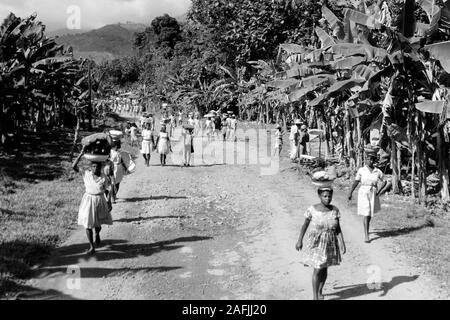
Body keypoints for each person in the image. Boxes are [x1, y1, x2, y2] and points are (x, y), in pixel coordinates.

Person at [296, 182, 346, 300]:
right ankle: (315, 297)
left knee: (324, 268)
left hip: (330, 242)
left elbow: (338, 228)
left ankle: (320, 291)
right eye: (325, 196)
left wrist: (342, 243)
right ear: (319, 196)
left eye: (329, 196)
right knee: (318, 269)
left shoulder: (334, 210)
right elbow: (305, 225)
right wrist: (299, 240)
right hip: (316, 243)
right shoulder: (312, 209)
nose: (327, 198)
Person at [72, 147, 113, 255]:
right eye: (93, 166)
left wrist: (109, 202)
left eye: (98, 166)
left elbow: (108, 190)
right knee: (88, 223)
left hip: (99, 200)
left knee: (98, 223)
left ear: (101, 167)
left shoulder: (104, 177)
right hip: (88, 199)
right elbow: (73, 166)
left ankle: (97, 234)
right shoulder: (86, 174)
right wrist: (81, 154)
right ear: (90, 167)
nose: (95, 168)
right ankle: (91, 246)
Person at [348, 148, 388, 243]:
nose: (368, 161)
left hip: (373, 192)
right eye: (367, 159)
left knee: (369, 213)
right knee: (366, 213)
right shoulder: (362, 170)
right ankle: (366, 235)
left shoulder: (377, 171)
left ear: (374, 161)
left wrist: (379, 191)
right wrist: (350, 192)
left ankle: (367, 229)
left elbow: (385, 181)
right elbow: (356, 182)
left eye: (371, 159)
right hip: (364, 192)